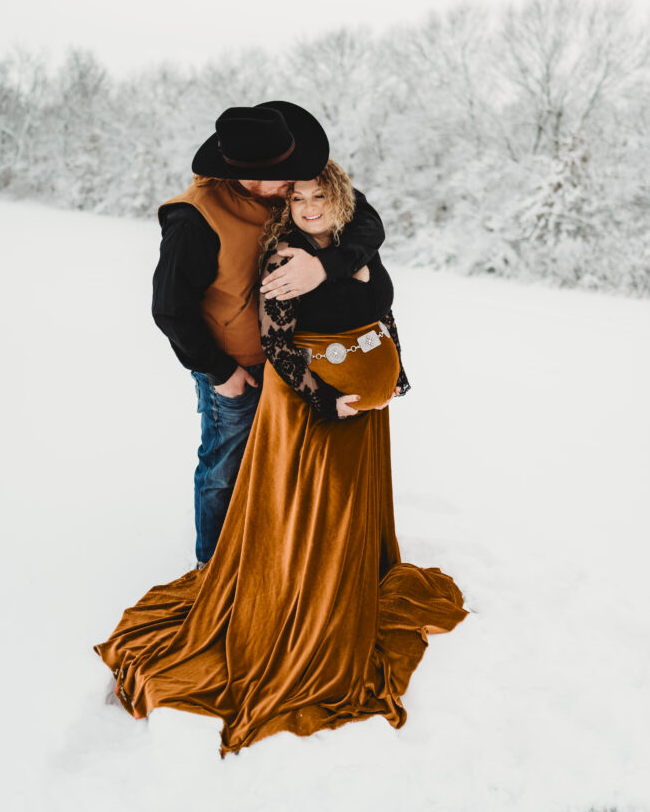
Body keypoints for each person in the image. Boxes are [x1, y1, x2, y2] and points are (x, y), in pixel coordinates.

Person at [95, 160, 468, 755]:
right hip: (290, 396)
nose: (305, 203)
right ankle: (232, 572)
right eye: (296, 196)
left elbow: (379, 303)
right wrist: (312, 397)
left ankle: (341, 569)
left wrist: (390, 370)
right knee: (247, 479)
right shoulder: (247, 238)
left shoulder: (345, 235)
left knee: (343, 501)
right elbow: (270, 338)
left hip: (363, 414)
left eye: (317, 194)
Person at [151, 101, 385, 567]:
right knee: (225, 470)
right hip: (239, 372)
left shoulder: (293, 191)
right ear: (253, 174)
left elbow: (367, 221)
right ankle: (212, 568)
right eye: (288, 178)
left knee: (282, 471)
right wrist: (220, 373)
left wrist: (324, 266)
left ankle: (270, 563)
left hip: (295, 366)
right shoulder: (194, 219)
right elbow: (169, 309)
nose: (299, 185)